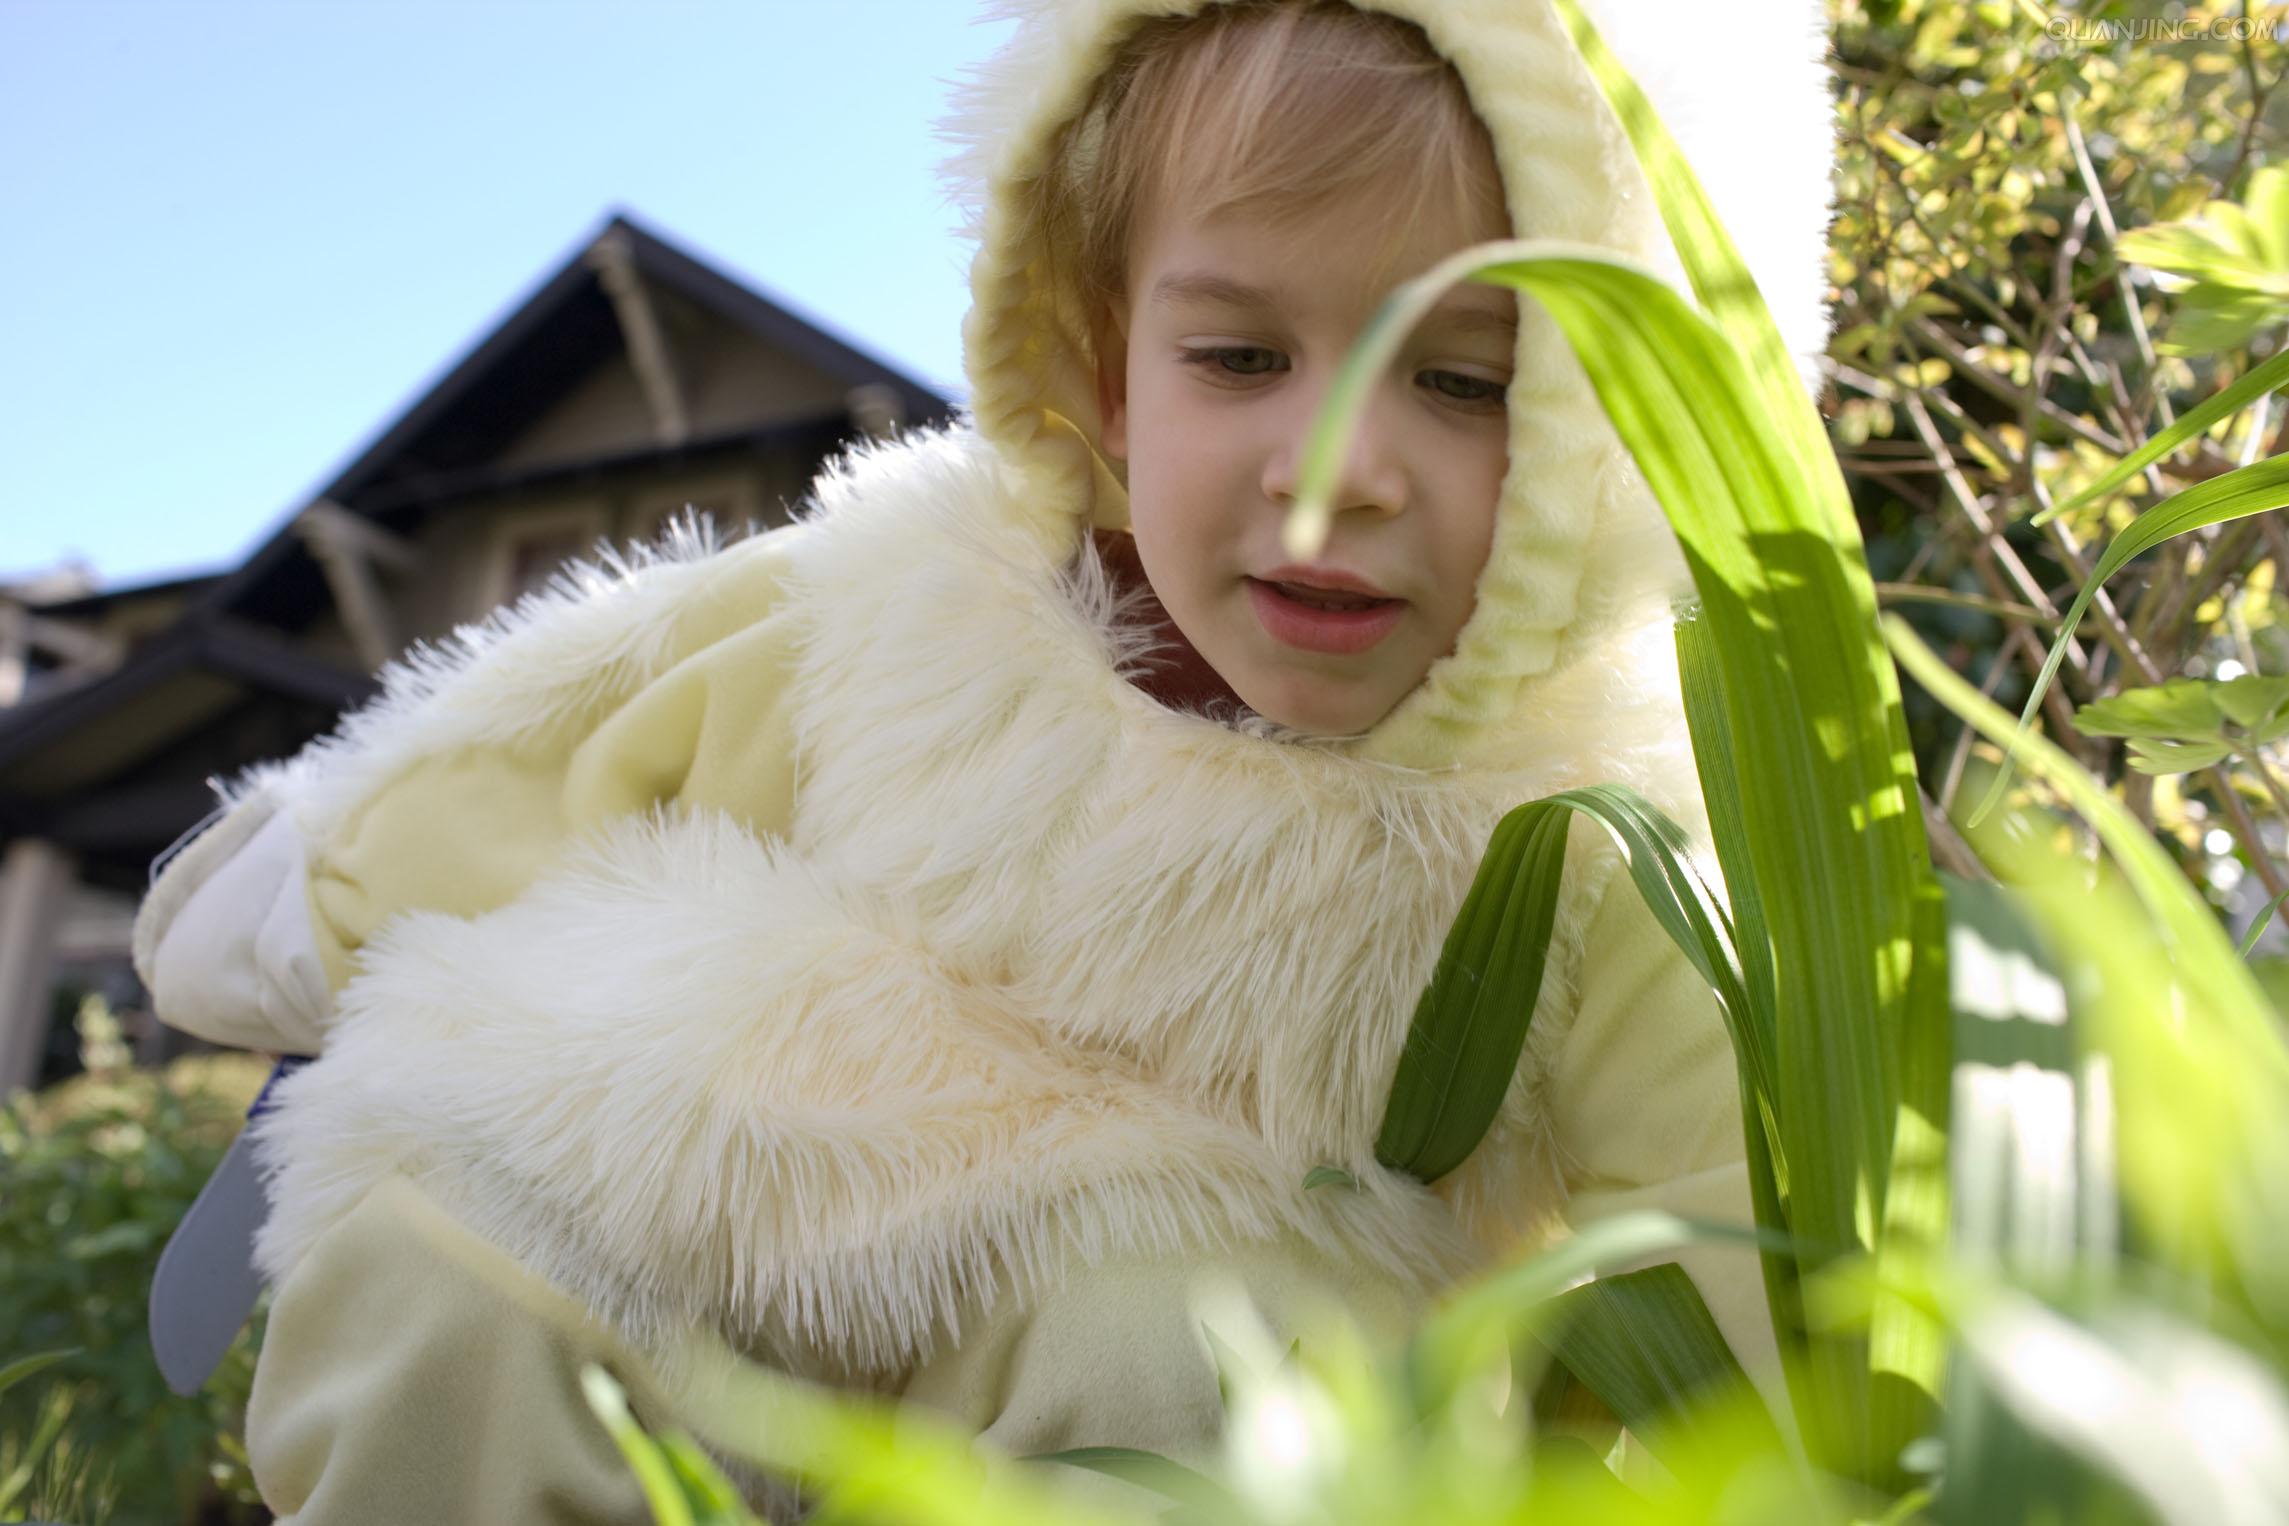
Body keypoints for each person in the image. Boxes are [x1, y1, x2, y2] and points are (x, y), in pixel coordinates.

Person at [133, 0, 1839, 1517]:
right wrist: (317, 881)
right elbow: (577, 735)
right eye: (1240, 357)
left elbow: (1741, 1233)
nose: (1336, 473)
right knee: (454, 1235)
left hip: (1185, 1288)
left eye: (1467, 382)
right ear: (1102, 375)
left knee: (1192, 1376)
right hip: (741, 1153)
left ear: (1606, 432)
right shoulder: (906, 599)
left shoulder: (1595, 827)